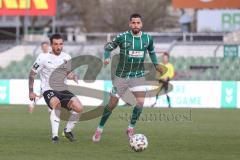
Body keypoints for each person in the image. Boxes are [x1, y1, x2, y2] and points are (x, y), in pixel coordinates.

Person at [92, 13, 163, 142]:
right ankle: (99, 129)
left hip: (138, 75)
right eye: (133, 23)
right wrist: (106, 57)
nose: (136, 25)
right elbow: (108, 47)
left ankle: (130, 127)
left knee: (141, 102)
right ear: (130, 24)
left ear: (141, 24)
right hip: (122, 76)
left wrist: (156, 65)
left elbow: (152, 52)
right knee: (112, 104)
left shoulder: (148, 38)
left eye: (138, 23)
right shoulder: (122, 37)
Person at [28, 34, 83, 143]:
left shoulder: (66, 57)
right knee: (56, 105)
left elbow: (68, 73)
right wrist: (31, 91)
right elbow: (32, 74)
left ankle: (67, 131)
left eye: (61, 44)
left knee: (79, 108)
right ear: (51, 45)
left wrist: (73, 76)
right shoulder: (42, 57)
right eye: (56, 44)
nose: (59, 47)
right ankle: (55, 136)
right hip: (48, 89)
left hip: (63, 89)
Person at [28, 41, 50, 113]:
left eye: (46, 46)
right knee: (45, 93)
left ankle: (31, 104)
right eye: (43, 47)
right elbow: (35, 68)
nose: (45, 48)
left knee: (43, 94)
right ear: (41, 48)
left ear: (48, 46)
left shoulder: (51, 55)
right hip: (45, 80)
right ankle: (51, 108)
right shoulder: (40, 57)